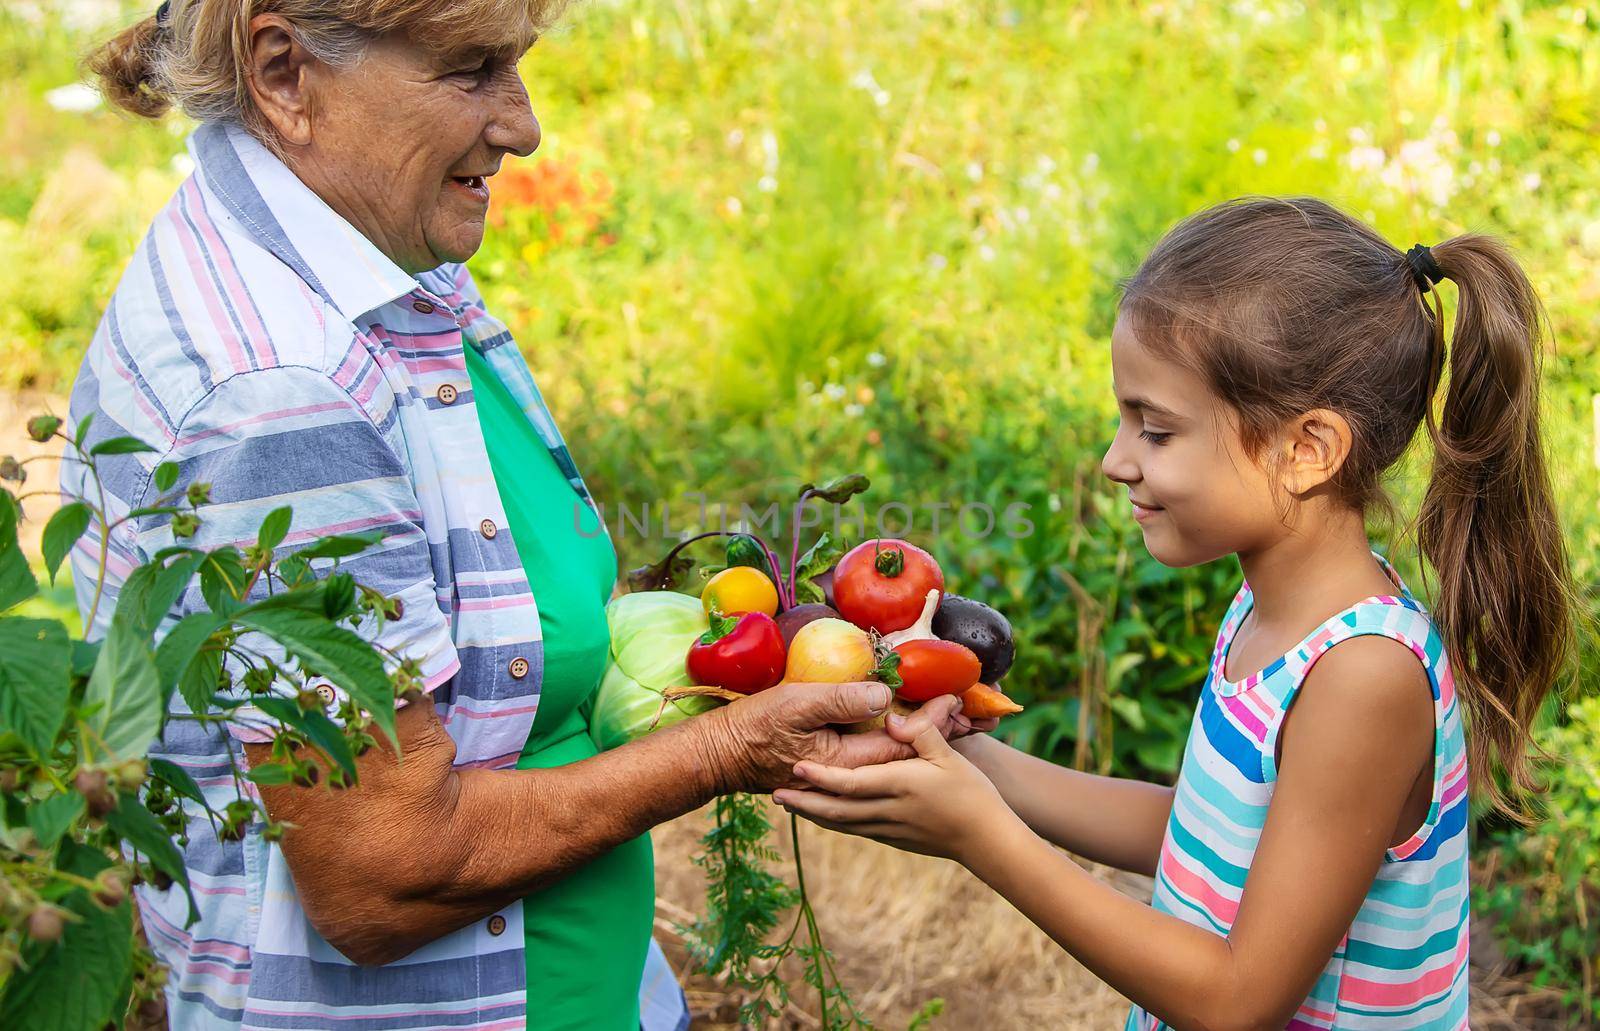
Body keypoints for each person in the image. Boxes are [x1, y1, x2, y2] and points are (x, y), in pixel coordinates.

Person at [69, 3, 973, 1029]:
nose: (523, 124)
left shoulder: (379, 262)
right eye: (472, 69)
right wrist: (726, 752)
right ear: (283, 72)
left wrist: (745, 655)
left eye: (518, 64)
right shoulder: (278, 391)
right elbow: (381, 874)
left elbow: (490, 640)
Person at [775, 197, 1574, 1030]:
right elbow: (1200, 834)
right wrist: (972, 763)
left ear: (1307, 450)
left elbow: (1237, 999)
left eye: (1155, 430)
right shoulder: (1270, 611)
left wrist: (982, 837)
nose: (1117, 461)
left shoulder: (1362, 676)